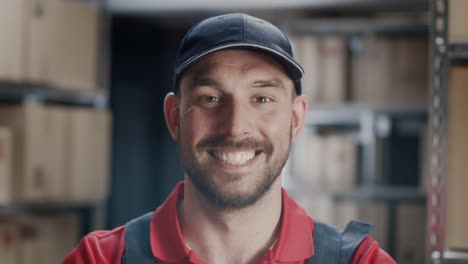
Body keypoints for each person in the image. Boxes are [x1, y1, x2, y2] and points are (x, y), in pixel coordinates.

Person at [64, 13, 396, 264]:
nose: (236, 128)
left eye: (262, 99)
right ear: (174, 117)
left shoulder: (360, 262)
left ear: (295, 119)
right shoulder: (101, 258)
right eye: (210, 98)